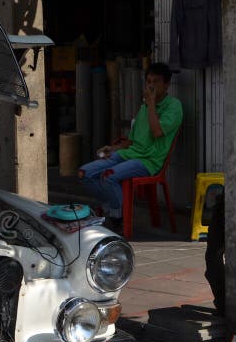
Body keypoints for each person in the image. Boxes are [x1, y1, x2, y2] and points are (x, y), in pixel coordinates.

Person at [78, 62, 183, 231]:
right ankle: (111, 207)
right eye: (148, 81)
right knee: (85, 173)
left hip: (149, 161)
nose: (150, 85)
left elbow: (157, 132)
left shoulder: (174, 106)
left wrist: (150, 105)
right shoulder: (145, 107)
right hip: (130, 153)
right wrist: (113, 148)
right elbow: (133, 141)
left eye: (155, 82)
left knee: (108, 176)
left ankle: (118, 218)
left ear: (166, 84)